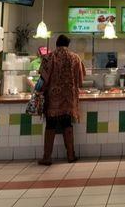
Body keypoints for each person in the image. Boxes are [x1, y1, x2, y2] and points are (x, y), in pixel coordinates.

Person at [38, 35, 86, 165]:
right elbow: (81, 80)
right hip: (69, 99)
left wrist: (39, 91)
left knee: (51, 125)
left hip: (53, 99)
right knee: (67, 124)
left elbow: (43, 79)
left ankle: (47, 157)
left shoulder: (49, 57)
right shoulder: (75, 58)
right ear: (68, 45)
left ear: (57, 44)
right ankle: (71, 155)